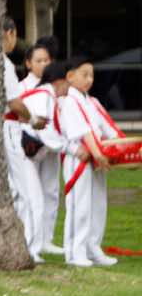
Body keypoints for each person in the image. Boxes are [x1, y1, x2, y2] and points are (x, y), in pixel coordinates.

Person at [54, 59, 117, 267]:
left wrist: (124, 149)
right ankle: (75, 252)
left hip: (97, 158)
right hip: (79, 159)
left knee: (98, 205)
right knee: (79, 206)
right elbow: (83, 132)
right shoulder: (69, 101)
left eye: (91, 75)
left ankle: (93, 247)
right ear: (70, 76)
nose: (89, 79)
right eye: (84, 74)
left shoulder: (92, 101)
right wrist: (97, 153)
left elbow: (108, 129)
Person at [0, 19, 43, 259]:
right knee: (23, 191)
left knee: (14, 188)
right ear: (10, 33)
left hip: (2, 127)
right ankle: (26, 246)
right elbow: (15, 103)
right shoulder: (4, 64)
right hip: (8, 127)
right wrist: (33, 119)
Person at [24, 38, 65, 257]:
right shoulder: (25, 87)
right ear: (28, 63)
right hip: (29, 147)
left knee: (50, 191)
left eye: (47, 60)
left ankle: (46, 238)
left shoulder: (52, 89)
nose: (43, 64)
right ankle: (32, 242)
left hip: (47, 150)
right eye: (39, 60)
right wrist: (65, 145)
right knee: (33, 197)